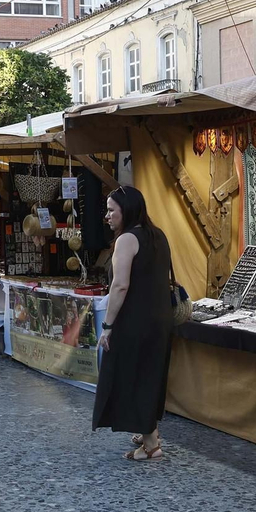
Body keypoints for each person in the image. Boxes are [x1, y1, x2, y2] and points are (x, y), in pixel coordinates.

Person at [91, 186, 175, 460]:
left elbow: (120, 286)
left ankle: (151, 445)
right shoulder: (158, 235)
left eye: (111, 210)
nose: (107, 216)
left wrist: (108, 326)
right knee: (150, 375)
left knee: (132, 375)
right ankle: (147, 429)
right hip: (159, 319)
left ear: (126, 210)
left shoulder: (127, 239)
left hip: (135, 320)